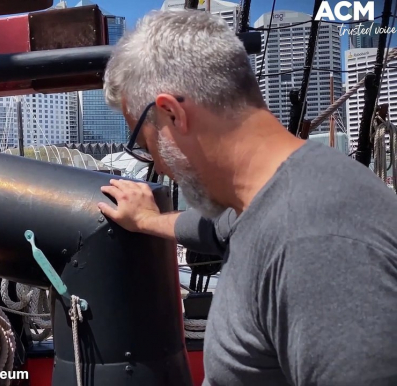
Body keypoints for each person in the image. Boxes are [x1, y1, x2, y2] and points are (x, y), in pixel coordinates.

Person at [98, 9, 397, 386]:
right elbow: (214, 229)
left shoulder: (313, 241)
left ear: (172, 115)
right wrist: (146, 220)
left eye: (145, 143)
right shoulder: (264, 202)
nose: (156, 162)